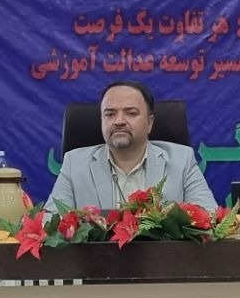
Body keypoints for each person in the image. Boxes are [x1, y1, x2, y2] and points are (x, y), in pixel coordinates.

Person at [48, 80, 217, 212]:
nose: (119, 121)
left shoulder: (182, 160)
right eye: (110, 114)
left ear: (149, 123)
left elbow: (208, 217)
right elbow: (50, 224)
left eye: (131, 113)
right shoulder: (74, 163)